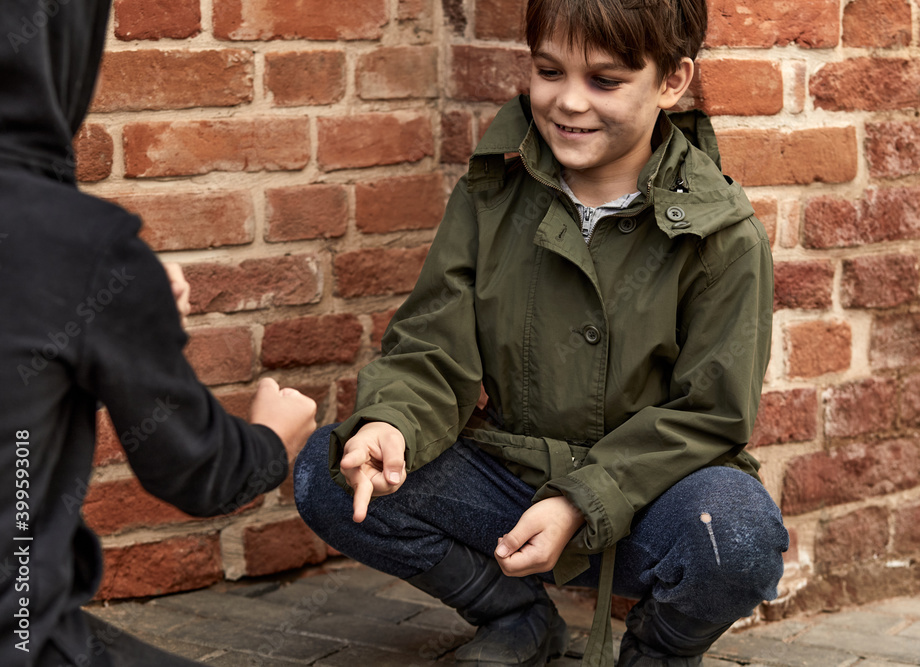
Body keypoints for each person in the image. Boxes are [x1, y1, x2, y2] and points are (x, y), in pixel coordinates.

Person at [294, 0, 789, 664]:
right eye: (549, 70)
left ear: (671, 81)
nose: (568, 102)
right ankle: (515, 616)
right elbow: (434, 344)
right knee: (330, 471)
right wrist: (391, 424)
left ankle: (661, 650)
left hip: (649, 499)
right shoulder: (493, 193)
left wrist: (581, 501)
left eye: (604, 80)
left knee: (740, 533)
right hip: (510, 483)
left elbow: (711, 414)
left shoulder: (724, 236)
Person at [0, 2, 317, 665]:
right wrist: (272, 439)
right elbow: (197, 468)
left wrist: (117, 301)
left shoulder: (88, 259)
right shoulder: (82, 246)